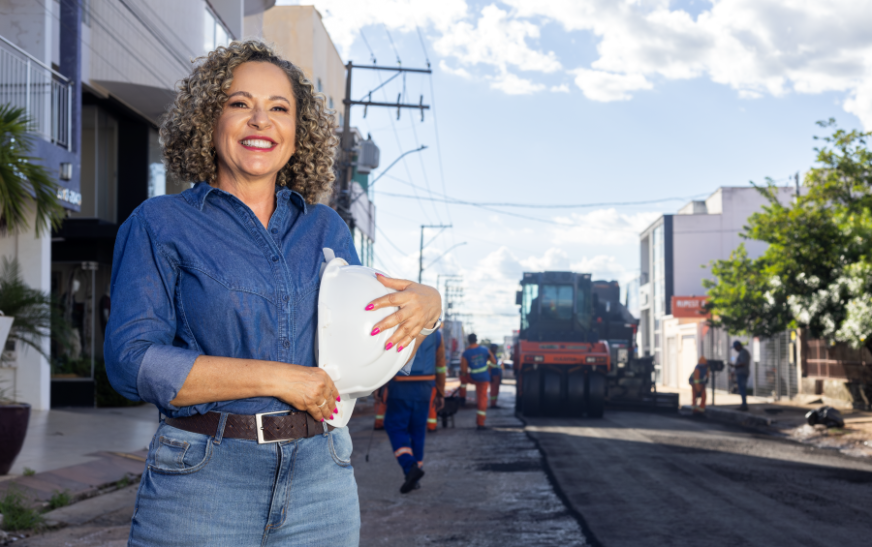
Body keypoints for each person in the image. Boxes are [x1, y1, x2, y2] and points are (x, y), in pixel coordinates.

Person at [104, 41, 442, 547]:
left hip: (322, 479)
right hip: (203, 480)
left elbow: (366, 339)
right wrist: (279, 379)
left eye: (278, 109)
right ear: (209, 120)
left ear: (297, 132)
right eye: (240, 104)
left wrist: (428, 306)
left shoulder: (327, 228)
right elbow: (130, 364)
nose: (260, 120)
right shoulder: (159, 223)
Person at [382, 328, 446, 493]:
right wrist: (440, 392)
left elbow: (384, 359)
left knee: (395, 427)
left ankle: (410, 467)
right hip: (425, 388)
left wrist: (380, 387)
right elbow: (440, 366)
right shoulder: (436, 335)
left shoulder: (396, 328)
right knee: (418, 432)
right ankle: (414, 477)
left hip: (400, 386)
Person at [460, 334, 496, 430]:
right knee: (482, 399)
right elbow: (494, 362)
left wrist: (465, 376)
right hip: (484, 378)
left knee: (462, 377)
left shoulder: (466, 353)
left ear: (468, 341)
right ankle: (480, 423)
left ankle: (462, 397)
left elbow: (463, 370)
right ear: (477, 340)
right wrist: (489, 369)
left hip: (473, 378)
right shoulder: (485, 350)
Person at [731, 340, 751, 411]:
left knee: (742, 389)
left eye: (735, 347)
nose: (735, 349)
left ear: (738, 346)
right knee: (741, 389)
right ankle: (743, 404)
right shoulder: (742, 353)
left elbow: (743, 363)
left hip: (742, 373)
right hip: (740, 373)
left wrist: (734, 366)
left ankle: (744, 405)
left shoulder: (743, 353)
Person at [488, 343, 503, 408]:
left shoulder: (494, 356)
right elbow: (489, 367)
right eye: (494, 348)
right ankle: (492, 404)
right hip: (493, 376)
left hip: (497, 375)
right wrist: (490, 376)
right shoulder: (490, 356)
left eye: (496, 348)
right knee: (493, 390)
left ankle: (494, 403)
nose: (495, 349)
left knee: (496, 390)